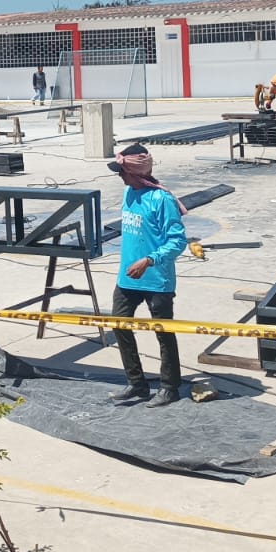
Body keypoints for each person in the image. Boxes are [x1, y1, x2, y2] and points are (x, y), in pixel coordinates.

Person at [106, 144, 189, 408]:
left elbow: (178, 241)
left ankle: (169, 387)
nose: (120, 176)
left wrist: (149, 260)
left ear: (134, 172)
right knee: (120, 324)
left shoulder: (162, 200)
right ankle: (137, 383)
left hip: (156, 280)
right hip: (128, 278)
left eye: (122, 171)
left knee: (163, 333)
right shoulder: (128, 193)